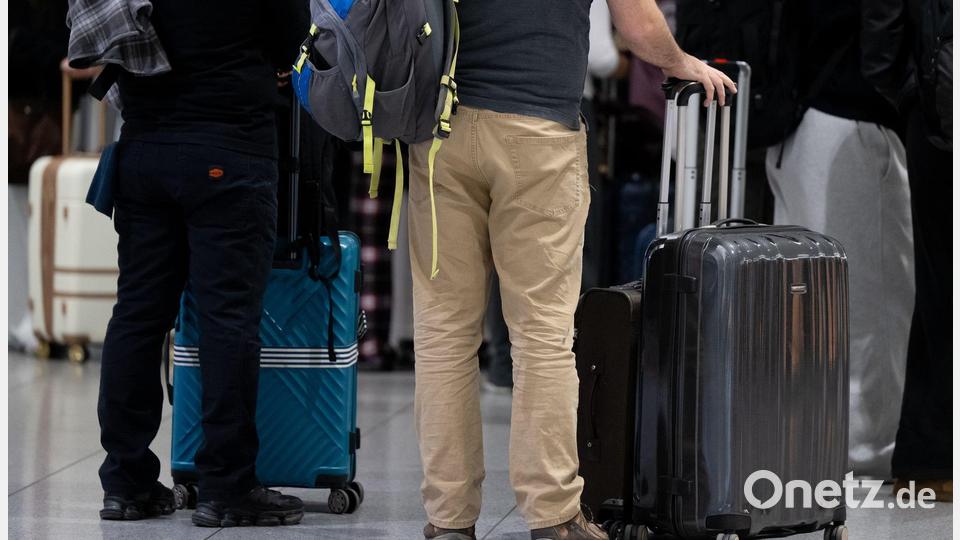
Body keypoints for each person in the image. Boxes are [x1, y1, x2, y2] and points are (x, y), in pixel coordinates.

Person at [406, 1, 735, 539]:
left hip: (440, 129)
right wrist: (680, 62)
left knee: (443, 334)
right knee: (541, 334)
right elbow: (637, 24)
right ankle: (553, 516)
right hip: (538, 134)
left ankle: (448, 521)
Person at [93, 0, 309, 526]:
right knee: (227, 320)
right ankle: (227, 488)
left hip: (144, 147)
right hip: (229, 148)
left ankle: (126, 483)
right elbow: (292, 40)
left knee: (137, 316)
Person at [765, 0, 916, 479]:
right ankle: (867, 450)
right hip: (850, 123)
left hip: (796, 123)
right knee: (872, 303)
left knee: (805, 308)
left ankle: (809, 445)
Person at [862, 0, 953, 501]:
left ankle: (928, 461)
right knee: (939, 289)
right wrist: (915, 98)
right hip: (938, 117)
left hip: (935, 113)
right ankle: (928, 461)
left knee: (940, 289)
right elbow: (881, 42)